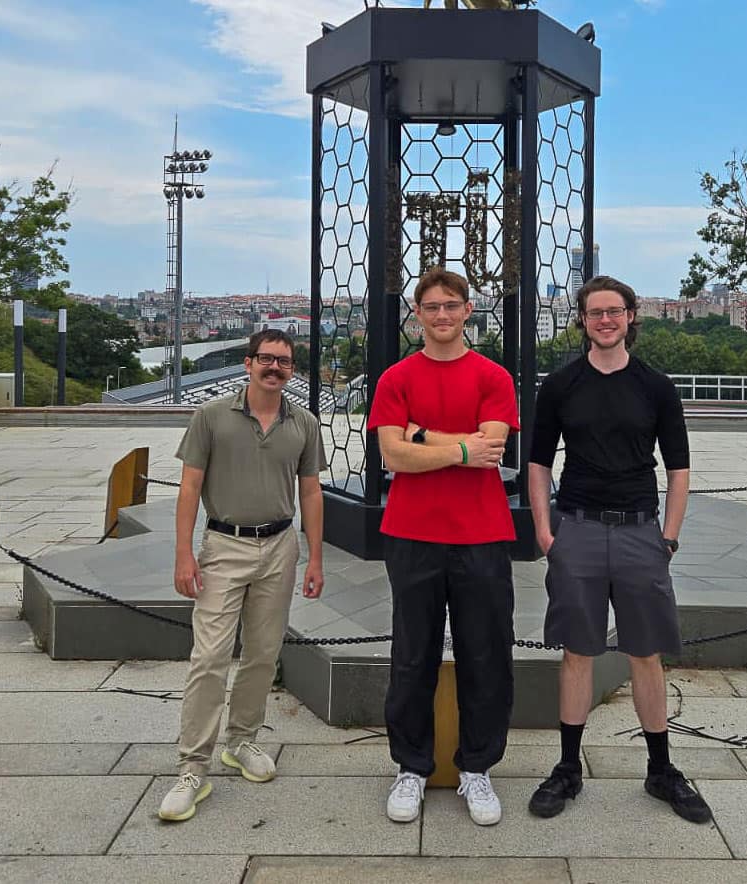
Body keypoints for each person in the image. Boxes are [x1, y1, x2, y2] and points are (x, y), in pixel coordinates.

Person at [526, 275, 712, 825]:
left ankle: (660, 770)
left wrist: (669, 537)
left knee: (646, 653)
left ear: (632, 316)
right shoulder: (560, 385)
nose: (605, 320)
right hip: (577, 527)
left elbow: (678, 468)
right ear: (581, 320)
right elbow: (538, 463)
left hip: (639, 530)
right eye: (594, 312)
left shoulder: (656, 387)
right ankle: (567, 769)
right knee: (577, 652)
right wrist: (545, 530)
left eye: (615, 311)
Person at [367, 266, 519, 826]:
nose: (442, 315)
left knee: (487, 654)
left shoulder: (493, 376)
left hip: (482, 533)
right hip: (411, 533)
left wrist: (424, 436)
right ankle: (412, 765)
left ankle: (477, 768)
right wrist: (457, 449)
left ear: (467, 311)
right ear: (418, 314)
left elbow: (494, 447)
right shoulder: (395, 378)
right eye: (431, 307)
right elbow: (393, 457)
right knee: (412, 655)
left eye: (451, 306)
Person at [158, 329, 327, 822]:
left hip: (279, 546)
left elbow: (311, 492)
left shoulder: (304, 423)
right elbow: (189, 487)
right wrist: (183, 555)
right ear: (248, 364)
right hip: (224, 544)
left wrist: (315, 557)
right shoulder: (212, 417)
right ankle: (192, 765)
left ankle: (243, 739)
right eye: (266, 360)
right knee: (209, 655)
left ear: (293, 370)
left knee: (262, 653)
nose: (275, 368)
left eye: (285, 362)